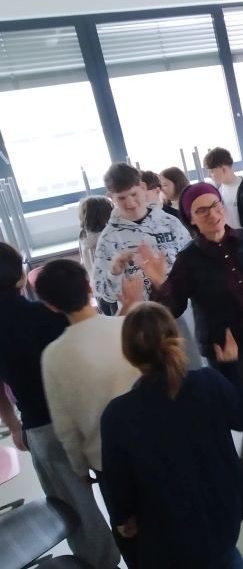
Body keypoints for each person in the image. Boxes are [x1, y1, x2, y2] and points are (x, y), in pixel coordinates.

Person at [143, 182, 243, 509]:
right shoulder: (189, 259)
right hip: (226, 350)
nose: (212, 215)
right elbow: (172, 308)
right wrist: (158, 282)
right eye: (202, 211)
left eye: (215, 206)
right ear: (191, 219)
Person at [101, 303, 243, 569]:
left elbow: (118, 483)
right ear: (176, 339)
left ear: (128, 354)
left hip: (167, 534)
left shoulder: (117, 415)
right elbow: (242, 418)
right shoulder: (209, 382)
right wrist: (229, 367)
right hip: (222, 515)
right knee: (225, 557)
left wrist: (123, 518)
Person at [0, 243, 120, 569]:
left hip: (41, 425)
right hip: (89, 412)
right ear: (21, 277)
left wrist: (13, 424)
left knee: (74, 504)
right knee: (119, 485)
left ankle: (101, 563)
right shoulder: (49, 315)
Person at [35, 259, 141, 567]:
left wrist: (80, 468)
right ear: (89, 287)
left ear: (50, 305)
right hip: (154, 447)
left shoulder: (53, 356)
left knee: (131, 533)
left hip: (106, 462)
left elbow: (65, 425)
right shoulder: (128, 328)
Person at [91, 162, 192, 313]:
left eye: (134, 194)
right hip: (140, 317)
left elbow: (192, 268)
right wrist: (114, 273)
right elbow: (105, 296)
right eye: (121, 198)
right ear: (111, 197)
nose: (130, 203)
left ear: (143, 188)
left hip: (180, 310)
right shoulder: (108, 238)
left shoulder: (170, 223)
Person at [78, 195, 114, 284]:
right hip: (111, 282)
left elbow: (83, 262)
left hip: (94, 282)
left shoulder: (83, 235)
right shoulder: (107, 237)